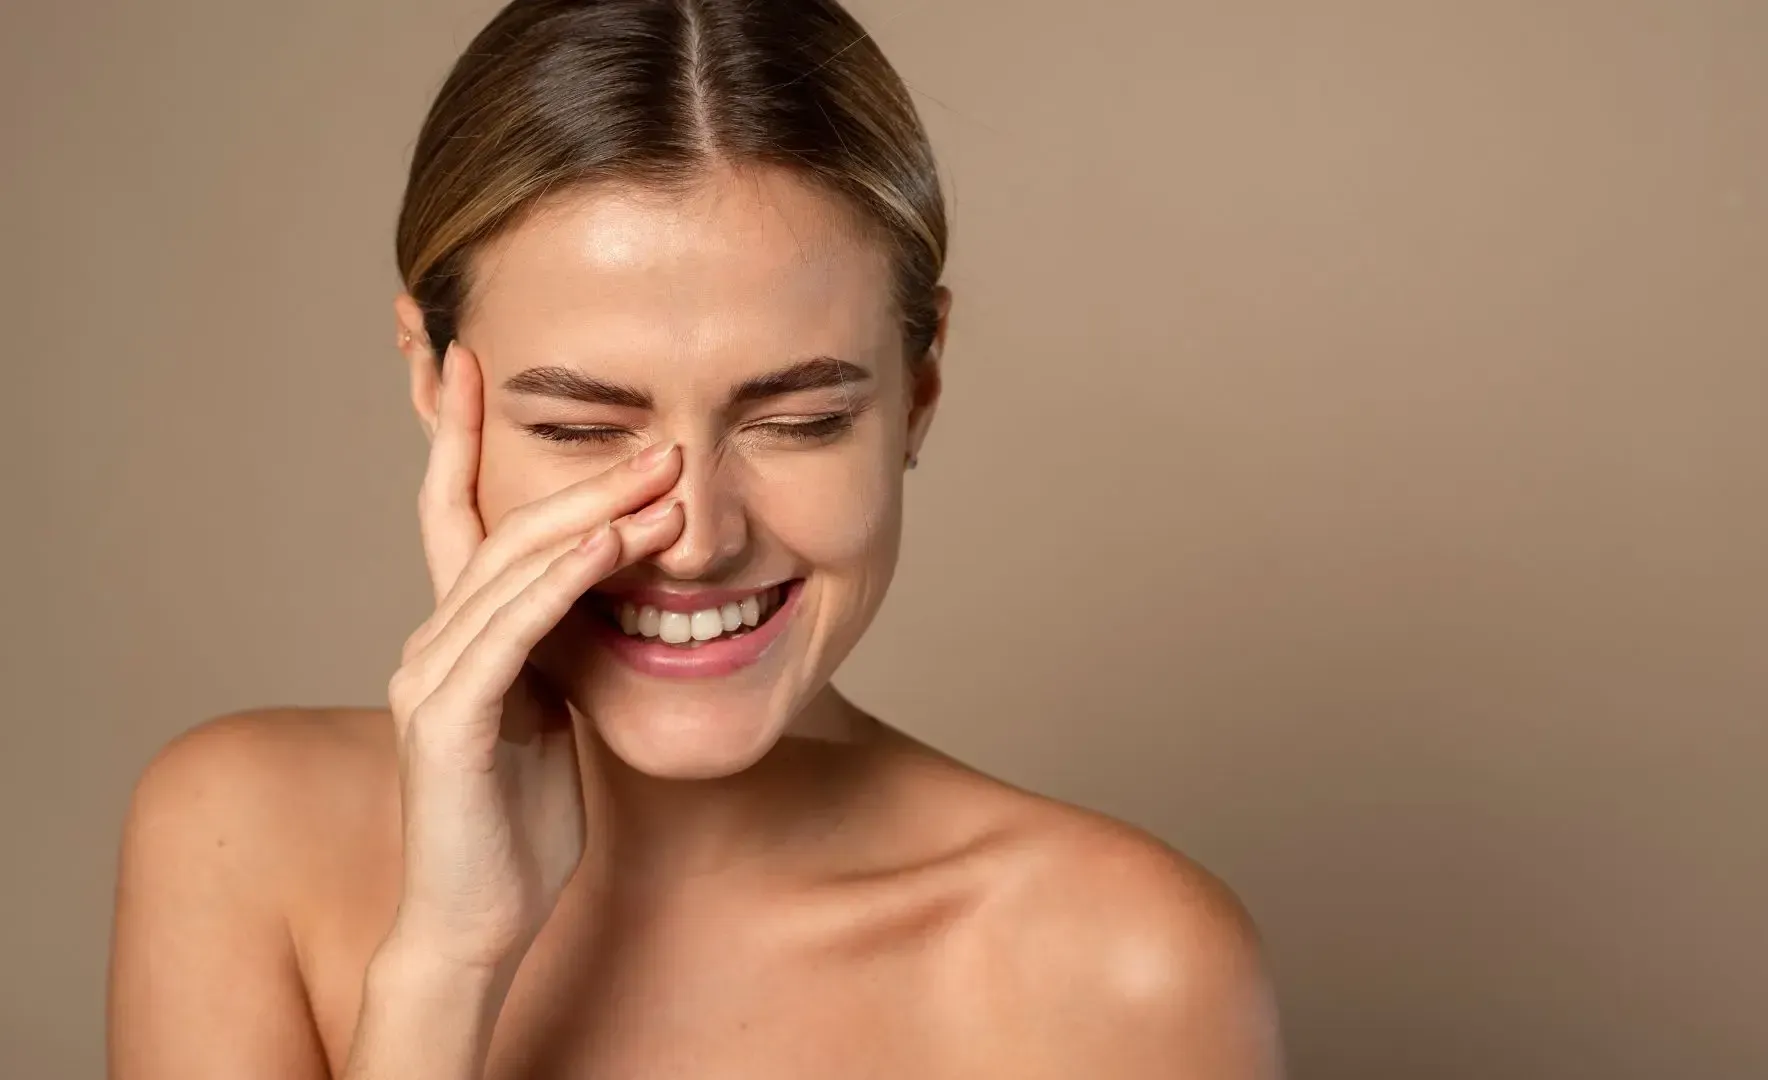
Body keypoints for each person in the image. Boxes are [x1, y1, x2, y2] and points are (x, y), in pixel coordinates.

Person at [106, 1, 1281, 1076]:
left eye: (798, 421)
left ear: (918, 393)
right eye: (579, 428)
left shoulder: (1119, 966)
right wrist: (448, 967)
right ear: (431, 381)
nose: (694, 539)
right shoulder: (235, 839)